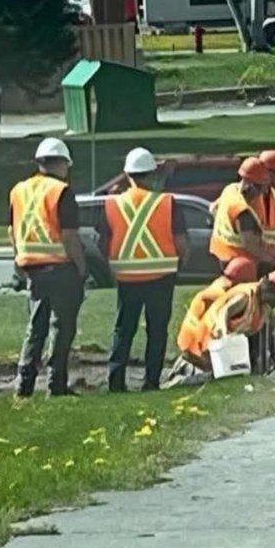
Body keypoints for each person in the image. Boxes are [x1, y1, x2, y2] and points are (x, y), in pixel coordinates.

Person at [100, 147, 188, 392]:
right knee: (157, 330)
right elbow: (181, 242)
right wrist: (180, 262)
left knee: (123, 329)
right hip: (162, 276)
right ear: (151, 175)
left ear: (127, 175)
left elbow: (102, 243)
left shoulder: (112, 204)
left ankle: (115, 382)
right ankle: (151, 381)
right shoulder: (167, 203)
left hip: (127, 278)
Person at [9, 137, 86, 397]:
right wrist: (81, 266)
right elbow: (69, 236)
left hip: (32, 267)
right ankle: (56, 383)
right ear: (63, 163)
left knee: (36, 326)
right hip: (60, 267)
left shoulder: (19, 190)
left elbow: (12, 230)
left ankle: (24, 382)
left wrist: (18, 258)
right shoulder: (61, 191)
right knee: (62, 326)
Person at [174, 266, 275, 374]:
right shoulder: (247, 296)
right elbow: (226, 311)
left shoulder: (261, 304)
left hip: (210, 348)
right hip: (206, 346)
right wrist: (223, 332)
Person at [209, 157, 275, 278]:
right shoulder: (242, 211)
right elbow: (250, 243)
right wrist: (269, 258)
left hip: (220, 253)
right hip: (239, 262)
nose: (264, 191)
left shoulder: (230, 189)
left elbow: (213, 208)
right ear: (250, 186)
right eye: (261, 187)